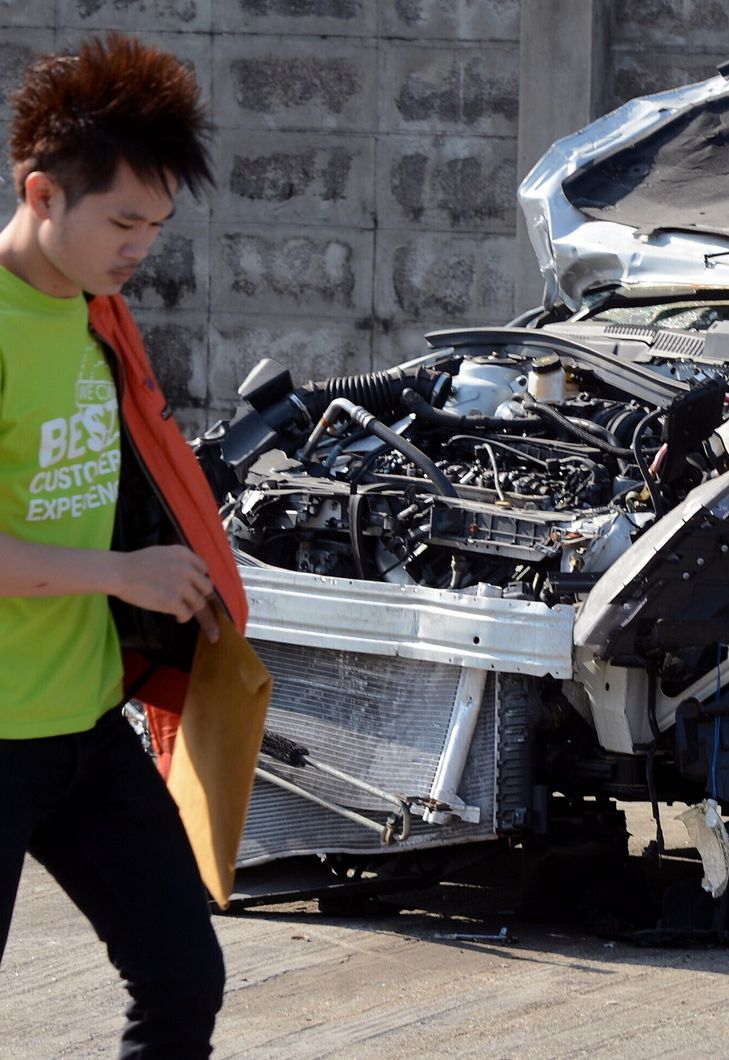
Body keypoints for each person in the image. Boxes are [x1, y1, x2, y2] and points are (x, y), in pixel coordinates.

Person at [0, 33, 250, 1057]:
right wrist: (120, 572)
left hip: (83, 721)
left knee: (184, 977)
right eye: (123, 220)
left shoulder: (101, 318)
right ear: (44, 191)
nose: (140, 246)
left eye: (156, 224)